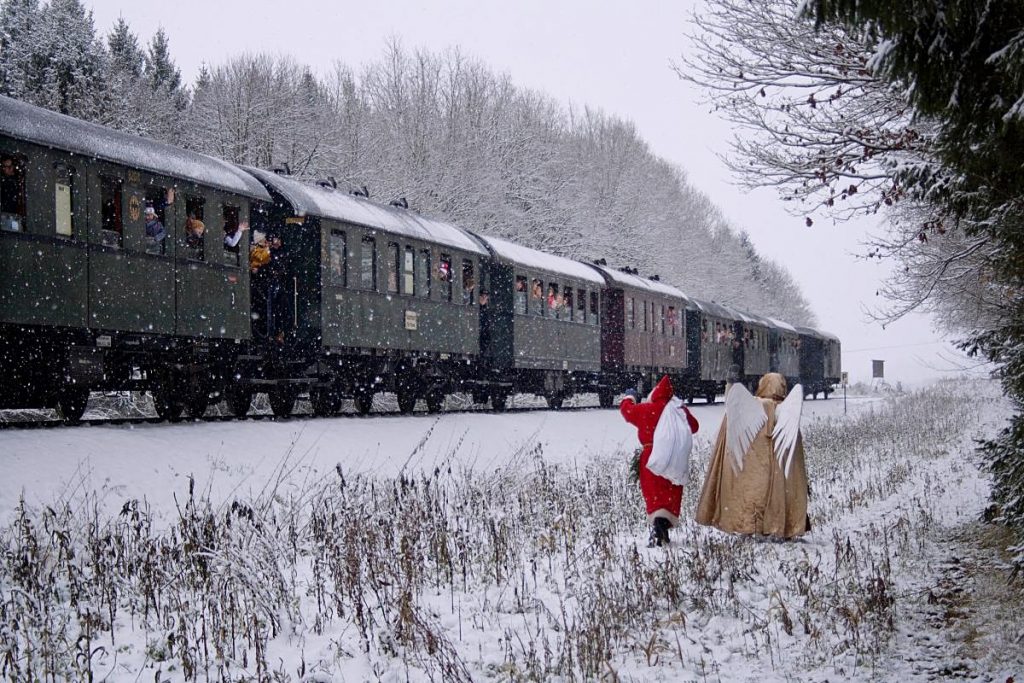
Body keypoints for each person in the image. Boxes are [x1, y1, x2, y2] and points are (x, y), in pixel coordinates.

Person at [695, 372, 809, 539]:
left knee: (750, 492)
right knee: (781, 490)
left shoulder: (749, 406)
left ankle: (750, 525)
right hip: (779, 472)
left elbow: (728, 433)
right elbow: (795, 454)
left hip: (752, 469)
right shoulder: (786, 410)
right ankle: (779, 524)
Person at [620, 375, 700, 547]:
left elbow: (627, 411)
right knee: (670, 493)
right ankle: (663, 525)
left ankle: (658, 526)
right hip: (674, 457)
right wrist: (682, 409)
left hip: (652, 456)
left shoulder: (647, 409)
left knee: (654, 493)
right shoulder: (677, 411)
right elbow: (694, 426)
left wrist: (630, 397)